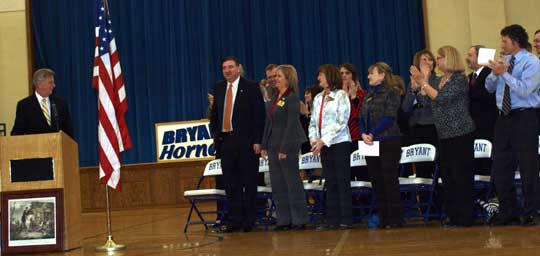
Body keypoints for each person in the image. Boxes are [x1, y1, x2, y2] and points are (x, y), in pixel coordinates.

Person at [411, 45, 475, 227]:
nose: (436, 60)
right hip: (444, 134)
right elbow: (427, 101)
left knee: (461, 176)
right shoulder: (440, 80)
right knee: (448, 176)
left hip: (460, 133)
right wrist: (418, 87)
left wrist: (423, 82)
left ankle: (465, 216)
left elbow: (441, 98)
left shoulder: (459, 79)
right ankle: (453, 215)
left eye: (440, 57)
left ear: (450, 58)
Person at [485, 24, 540, 226]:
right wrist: (495, 73)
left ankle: (531, 212)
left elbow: (525, 90)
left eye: (504, 41)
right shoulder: (504, 61)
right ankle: (508, 212)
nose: (502, 45)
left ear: (515, 42)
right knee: (501, 167)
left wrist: (505, 74)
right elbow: (489, 88)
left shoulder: (532, 62)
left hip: (524, 118)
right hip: (503, 119)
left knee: (528, 167)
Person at [209, 56, 265, 232]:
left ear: (238, 69)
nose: (227, 70)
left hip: (247, 143)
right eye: (224, 67)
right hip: (226, 142)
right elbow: (215, 116)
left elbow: (259, 116)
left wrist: (258, 141)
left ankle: (249, 221)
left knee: (248, 182)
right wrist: (217, 137)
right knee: (230, 184)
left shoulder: (251, 87)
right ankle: (235, 220)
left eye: (231, 67)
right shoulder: (218, 88)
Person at [261, 65, 309, 231]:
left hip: (287, 145)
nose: (276, 79)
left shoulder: (292, 98)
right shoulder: (275, 97)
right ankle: (283, 219)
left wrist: (284, 148)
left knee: (292, 182)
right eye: (275, 76)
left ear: (287, 79)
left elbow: (291, 125)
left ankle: (299, 219)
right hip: (273, 145)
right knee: (277, 184)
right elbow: (268, 123)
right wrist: (264, 145)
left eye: (279, 76)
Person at [360, 62, 404, 229]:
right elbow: (361, 117)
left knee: (389, 180)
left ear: (382, 75)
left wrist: (373, 133)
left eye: (372, 73)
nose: (368, 76)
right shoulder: (368, 94)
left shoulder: (392, 92)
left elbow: (389, 117)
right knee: (376, 180)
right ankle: (384, 218)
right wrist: (364, 133)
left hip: (388, 140)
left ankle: (395, 218)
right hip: (369, 142)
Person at [309, 64, 352, 230]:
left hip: (339, 143)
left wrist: (323, 140)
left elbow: (342, 121)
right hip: (323, 145)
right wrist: (314, 140)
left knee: (342, 180)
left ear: (330, 76)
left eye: (321, 75)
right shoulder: (318, 97)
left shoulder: (341, 95)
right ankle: (332, 219)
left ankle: (346, 219)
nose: (319, 78)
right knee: (331, 181)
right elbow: (313, 122)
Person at [401, 50, 440, 179]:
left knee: (435, 165)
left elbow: (431, 102)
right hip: (416, 127)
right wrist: (413, 90)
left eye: (430, 59)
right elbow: (405, 107)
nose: (427, 62)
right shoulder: (412, 82)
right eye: (424, 59)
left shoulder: (438, 81)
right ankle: (423, 196)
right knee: (421, 167)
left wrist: (424, 82)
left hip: (433, 126)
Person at [12, 68, 73, 138]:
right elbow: (17, 133)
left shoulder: (61, 104)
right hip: (34, 147)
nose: (54, 85)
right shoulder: (24, 106)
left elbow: (69, 133)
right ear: (39, 84)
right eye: (50, 82)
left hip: (58, 147)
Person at [465, 45, 497, 176]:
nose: (466, 58)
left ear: (480, 57)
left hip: (487, 125)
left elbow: (487, 95)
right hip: (473, 127)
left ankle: (490, 194)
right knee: (476, 163)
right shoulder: (469, 76)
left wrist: (467, 93)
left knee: (486, 163)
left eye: (470, 55)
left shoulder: (490, 74)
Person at [340, 64, 367, 181]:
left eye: (347, 73)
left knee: (364, 173)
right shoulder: (335, 96)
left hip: (361, 137)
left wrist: (353, 97)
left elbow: (357, 116)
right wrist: (346, 96)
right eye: (341, 73)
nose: (344, 76)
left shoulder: (363, 94)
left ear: (353, 75)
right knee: (347, 174)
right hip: (343, 139)